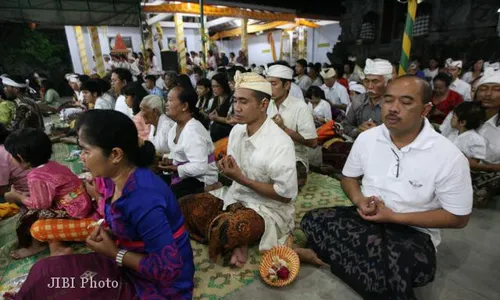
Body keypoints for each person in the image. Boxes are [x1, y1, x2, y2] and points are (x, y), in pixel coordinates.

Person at [296, 75, 472, 299]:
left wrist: (394, 217)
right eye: (388, 100)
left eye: (406, 102)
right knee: (313, 220)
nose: (393, 108)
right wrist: (361, 201)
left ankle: (332, 259)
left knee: (398, 261)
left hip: (412, 232)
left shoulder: (449, 156)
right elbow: (349, 178)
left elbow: (458, 217)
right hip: (366, 218)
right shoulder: (367, 138)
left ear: (425, 109)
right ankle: (361, 268)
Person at [15, 109, 195, 299]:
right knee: (44, 271)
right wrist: (109, 235)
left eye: (86, 151)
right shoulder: (112, 179)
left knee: (61, 292)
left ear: (115, 154)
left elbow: (168, 269)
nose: (82, 157)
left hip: (157, 285)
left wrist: (114, 253)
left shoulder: (143, 199)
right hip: (127, 260)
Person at [179, 71, 297, 268]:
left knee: (232, 228)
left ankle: (232, 236)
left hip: (267, 209)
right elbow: (235, 174)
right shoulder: (236, 131)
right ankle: (232, 239)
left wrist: (243, 179)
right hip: (235, 198)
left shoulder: (281, 143)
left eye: (243, 102)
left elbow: (285, 196)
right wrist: (225, 169)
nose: (236, 108)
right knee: (184, 205)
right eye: (235, 101)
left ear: (263, 105)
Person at [4, 128, 93, 258]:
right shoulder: (52, 164)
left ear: (20, 157)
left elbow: (40, 205)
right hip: (82, 204)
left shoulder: (35, 176)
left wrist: (19, 197)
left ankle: (37, 246)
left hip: (74, 212)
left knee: (29, 214)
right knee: (38, 209)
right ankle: (55, 244)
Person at [157, 87, 219, 199]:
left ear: (185, 106)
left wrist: (174, 168)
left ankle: (209, 188)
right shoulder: (175, 127)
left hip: (202, 178)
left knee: (172, 194)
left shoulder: (193, 131)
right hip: (186, 175)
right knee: (156, 182)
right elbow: (180, 156)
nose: (166, 104)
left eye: (170, 100)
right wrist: (169, 161)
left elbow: (200, 167)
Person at [266, 64, 318, 189]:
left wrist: (283, 128)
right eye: (268, 84)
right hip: (268, 153)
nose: (269, 88)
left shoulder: (300, 107)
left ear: (287, 85)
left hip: (294, 156)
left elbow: (313, 142)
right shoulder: (267, 104)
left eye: (274, 84)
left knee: (287, 174)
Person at [467, 70, 500, 207]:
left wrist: (485, 167)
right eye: (484, 89)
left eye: (496, 90)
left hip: (493, 172)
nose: (488, 94)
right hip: (460, 165)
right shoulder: (461, 113)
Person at [341, 58, 393, 139]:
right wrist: (357, 130)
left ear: (388, 83)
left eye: (375, 81)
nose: (370, 86)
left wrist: (379, 132)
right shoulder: (358, 101)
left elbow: (404, 134)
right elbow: (345, 126)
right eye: (366, 81)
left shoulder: (395, 104)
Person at [0, 124, 28, 200]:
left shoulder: (1, 152)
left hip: (25, 194)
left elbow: (2, 189)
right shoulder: (10, 143)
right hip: (37, 185)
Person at [208, 73, 233, 142]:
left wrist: (217, 118)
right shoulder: (216, 98)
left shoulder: (231, 99)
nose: (214, 89)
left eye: (217, 86)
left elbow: (233, 120)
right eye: (212, 86)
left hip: (226, 134)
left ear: (223, 85)